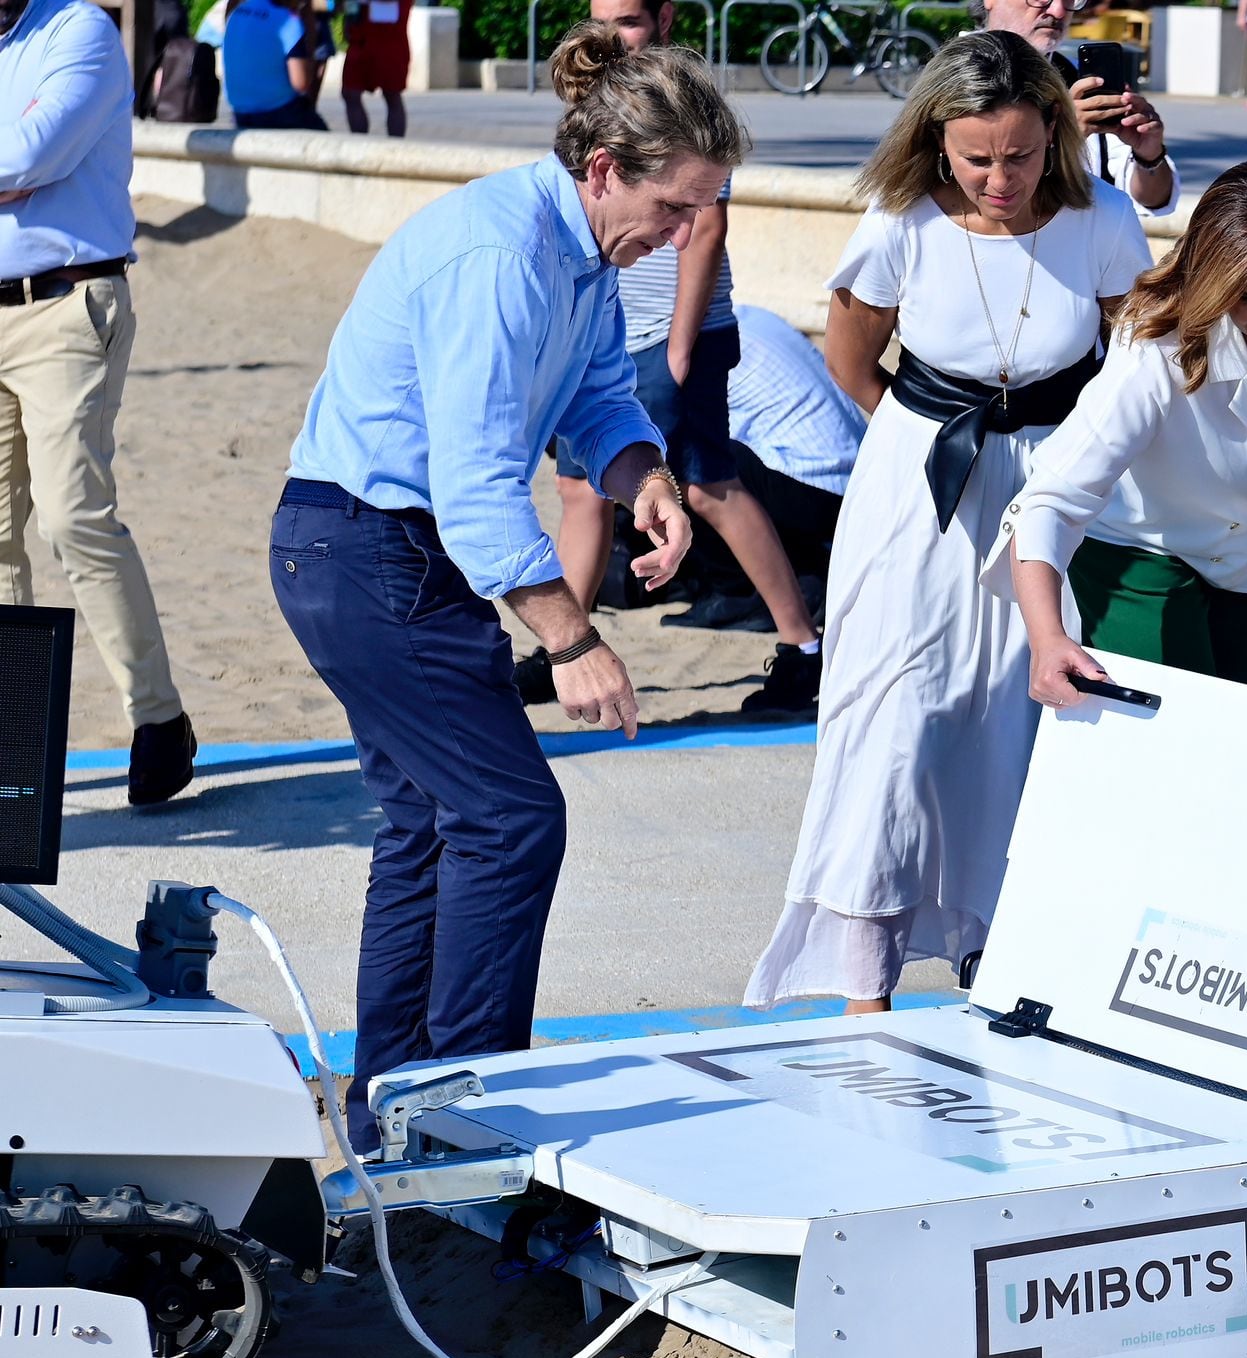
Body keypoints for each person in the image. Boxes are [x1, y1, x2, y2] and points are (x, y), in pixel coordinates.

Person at [271, 21, 743, 1152]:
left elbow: (593, 403)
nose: (688, 237)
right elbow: (479, 484)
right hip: (361, 546)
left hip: (368, 548)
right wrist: (572, 638)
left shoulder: (580, 247)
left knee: (433, 825)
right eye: (676, 209)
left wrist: (648, 480)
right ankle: (457, 1116)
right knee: (509, 818)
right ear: (602, 169)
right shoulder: (499, 256)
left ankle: (395, 1107)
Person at [743, 30, 1150, 1013]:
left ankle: (1003, 961)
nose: (1000, 177)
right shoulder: (898, 221)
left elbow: (1131, 360)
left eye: (1020, 154)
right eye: (976, 158)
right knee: (896, 723)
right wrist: (918, 442)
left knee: (1024, 718)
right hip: (917, 488)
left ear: (1052, 134)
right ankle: (863, 985)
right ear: (935, 142)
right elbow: (850, 361)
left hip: (1054, 487)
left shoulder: (1098, 216)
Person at [526, 0, 823, 714]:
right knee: (580, 492)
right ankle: (561, 650)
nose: (613, 32)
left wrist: (681, 345)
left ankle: (803, 647)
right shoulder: (602, 105)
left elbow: (707, 228)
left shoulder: (685, 101)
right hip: (609, 331)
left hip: (672, 331)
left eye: (628, 18)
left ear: (665, 17)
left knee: (709, 488)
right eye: (603, 17)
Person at [988, 158, 1247, 700]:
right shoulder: (1155, 344)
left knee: (1237, 737)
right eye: (1244, 297)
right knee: (1168, 744)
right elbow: (1048, 499)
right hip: (1140, 548)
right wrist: (1048, 639)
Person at [0, 0, 198, 806]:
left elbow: (24, 157)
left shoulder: (77, 30)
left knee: (73, 515)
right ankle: (11, 745)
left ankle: (159, 720)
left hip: (65, 306)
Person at [689, 302, 864, 601]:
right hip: (854, 485)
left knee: (687, 461)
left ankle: (734, 592)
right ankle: (803, 566)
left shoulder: (696, 342)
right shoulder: (750, 314)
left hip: (816, 492)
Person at [974, 0, 1179, 216]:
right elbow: (984, 196)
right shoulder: (950, 81)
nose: (1059, 11)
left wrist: (1149, 156)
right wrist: (1065, 137)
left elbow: (1153, 200)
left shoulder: (1081, 79)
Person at [222, 0, 327, 129]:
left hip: (239, 110)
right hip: (278, 110)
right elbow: (301, 83)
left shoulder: (236, 13)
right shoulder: (288, 22)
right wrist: (310, 31)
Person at [341, 0, 409, 137]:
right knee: (350, 92)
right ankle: (360, 144)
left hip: (389, 36)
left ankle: (395, 148)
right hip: (361, 37)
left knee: (392, 94)